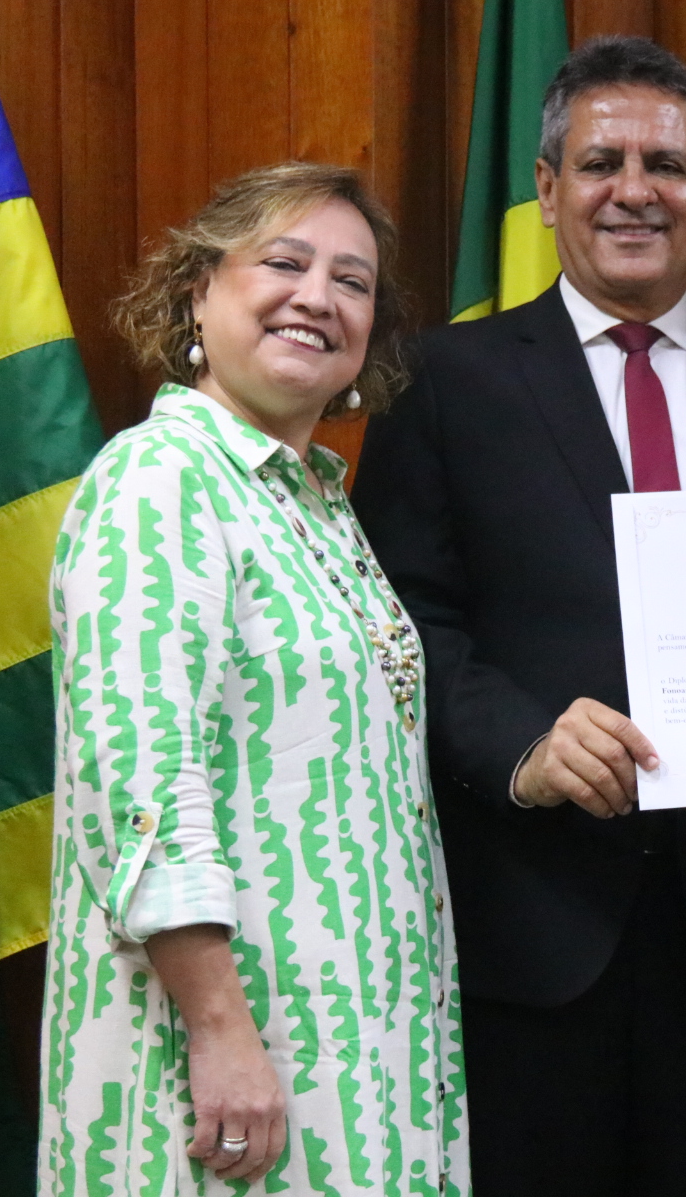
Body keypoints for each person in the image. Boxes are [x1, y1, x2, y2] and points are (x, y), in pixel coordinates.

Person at [351, 36, 686, 1197]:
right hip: (530, 938)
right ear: (545, 188)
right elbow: (401, 621)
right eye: (600, 162)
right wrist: (523, 744)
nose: (636, 190)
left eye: (666, 165)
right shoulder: (443, 383)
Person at [41, 163, 470, 1194]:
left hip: (358, 1057)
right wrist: (220, 1031)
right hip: (220, 1064)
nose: (318, 297)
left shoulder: (315, 500)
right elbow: (140, 778)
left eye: (353, 282)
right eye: (284, 262)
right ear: (198, 290)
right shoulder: (159, 479)